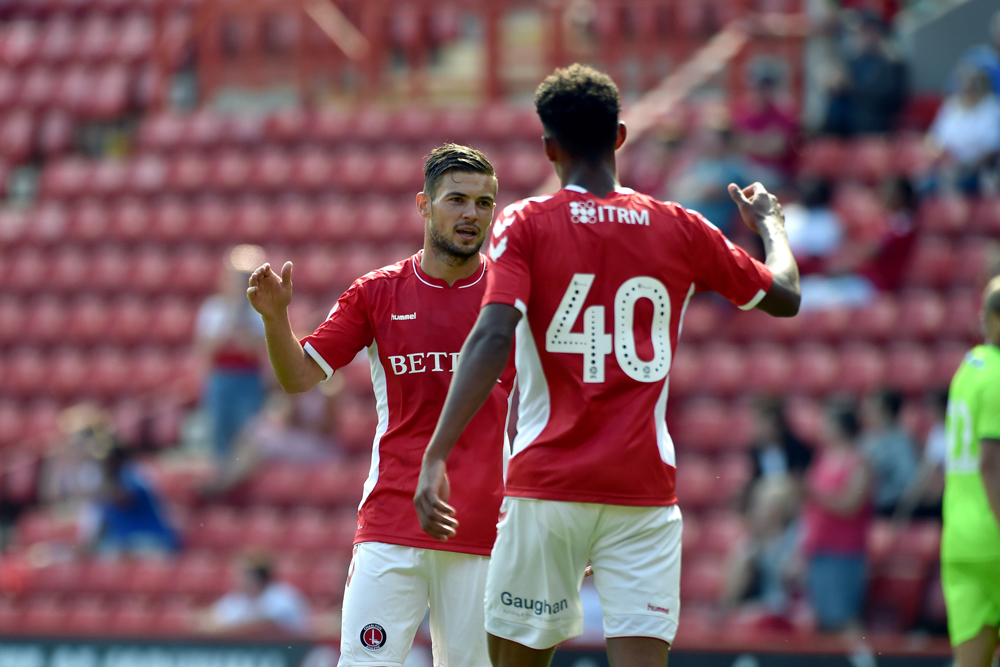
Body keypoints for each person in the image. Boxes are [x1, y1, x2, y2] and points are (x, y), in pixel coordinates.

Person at [414, 64, 801, 667]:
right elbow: (785, 296)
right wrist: (771, 225)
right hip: (642, 490)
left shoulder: (525, 223)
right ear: (619, 136)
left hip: (548, 485)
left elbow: (492, 334)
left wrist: (437, 452)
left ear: (549, 147)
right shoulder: (680, 226)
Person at [246, 144, 514, 667]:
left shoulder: (513, 296)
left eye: (484, 203)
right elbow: (298, 377)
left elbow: (554, 407)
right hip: (392, 523)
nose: (471, 214)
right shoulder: (377, 293)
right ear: (423, 205)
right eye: (457, 199)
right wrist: (275, 319)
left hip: (485, 529)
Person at [940, 276, 1000, 667]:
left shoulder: (969, 368)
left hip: (960, 540)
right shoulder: (997, 376)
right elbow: (991, 462)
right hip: (994, 537)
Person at [800, 402, 872, 634]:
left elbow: (851, 504)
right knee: (823, 620)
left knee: (845, 618)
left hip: (844, 552)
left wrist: (816, 494)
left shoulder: (859, 463)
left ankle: (861, 654)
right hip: (818, 550)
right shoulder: (822, 458)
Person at [196, 244, 268, 459]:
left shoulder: (260, 312)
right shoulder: (213, 309)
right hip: (221, 377)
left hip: (248, 378)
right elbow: (206, 348)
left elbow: (258, 351)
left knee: (246, 433)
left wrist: (241, 327)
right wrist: (230, 323)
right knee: (219, 432)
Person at [926, 64, 1000, 195]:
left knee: (956, 187)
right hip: (947, 168)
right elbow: (933, 139)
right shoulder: (951, 106)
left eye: (972, 86)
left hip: (979, 171)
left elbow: (992, 150)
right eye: (963, 86)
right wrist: (944, 160)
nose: (967, 90)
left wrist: (966, 168)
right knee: (923, 186)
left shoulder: (992, 108)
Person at [201, 553, 310, 635]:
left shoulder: (283, 596)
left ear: (256, 577)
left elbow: (267, 625)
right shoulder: (237, 598)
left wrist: (226, 630)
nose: (236, 579)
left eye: (243, 575)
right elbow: (210, 621)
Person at [860, 390, 918, 517]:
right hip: (862, 506)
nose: (866, 415)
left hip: (887, 506)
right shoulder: (865, 439)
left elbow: (908, 482)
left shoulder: (901, 442)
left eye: (872, 410)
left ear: (887, 412)